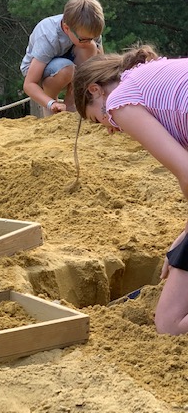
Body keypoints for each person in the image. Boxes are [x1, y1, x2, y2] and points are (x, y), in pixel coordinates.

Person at [72, 44, 188, 335]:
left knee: (169, 324)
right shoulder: (147, 74)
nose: (110, 128)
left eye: (99, 120)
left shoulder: (120, 100)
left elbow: (187, 174)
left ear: (95, 90)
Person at [21, 0, 105, 116]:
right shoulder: (48, 35)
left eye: (92, 37)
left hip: (69, 64)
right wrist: (50, 103)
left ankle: (72, 103)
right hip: (37, 71)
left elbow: (100, 66)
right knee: (66, 68)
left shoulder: (88, 31)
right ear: (66, 28)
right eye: (83, 39)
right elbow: (29, 84)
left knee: (91, 48)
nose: (88, 40)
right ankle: (51, 109)